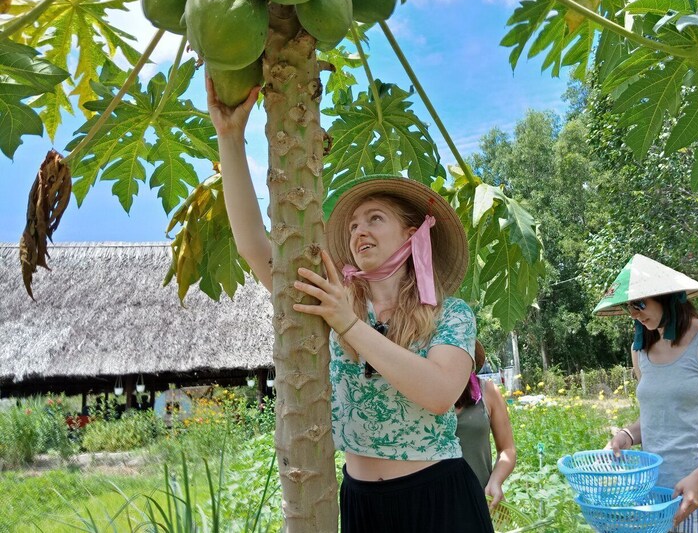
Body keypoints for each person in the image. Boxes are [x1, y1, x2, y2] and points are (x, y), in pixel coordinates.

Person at [207, 80, 493, 532]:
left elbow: (440, 394)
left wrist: (350, 326)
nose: (359, 230)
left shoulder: (450, 314)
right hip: (360, 503)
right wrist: (229, 137)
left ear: (413, 234)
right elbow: (252, 245)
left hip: (439, 499)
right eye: (354, 223)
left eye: (375, 219)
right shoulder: (333, 301)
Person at [594, 254, 698, 532]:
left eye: (639, 304)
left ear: (667, 297)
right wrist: (626, 436)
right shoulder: (640, 350)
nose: (634, 314)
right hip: (660, 498)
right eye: (628, 307)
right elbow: (658, 417)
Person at [455, 340, 516, 510]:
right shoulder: (416, 397)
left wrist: (496, 481)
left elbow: (507, 449)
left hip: (484, 501)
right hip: (434, 505)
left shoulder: (487, 391)